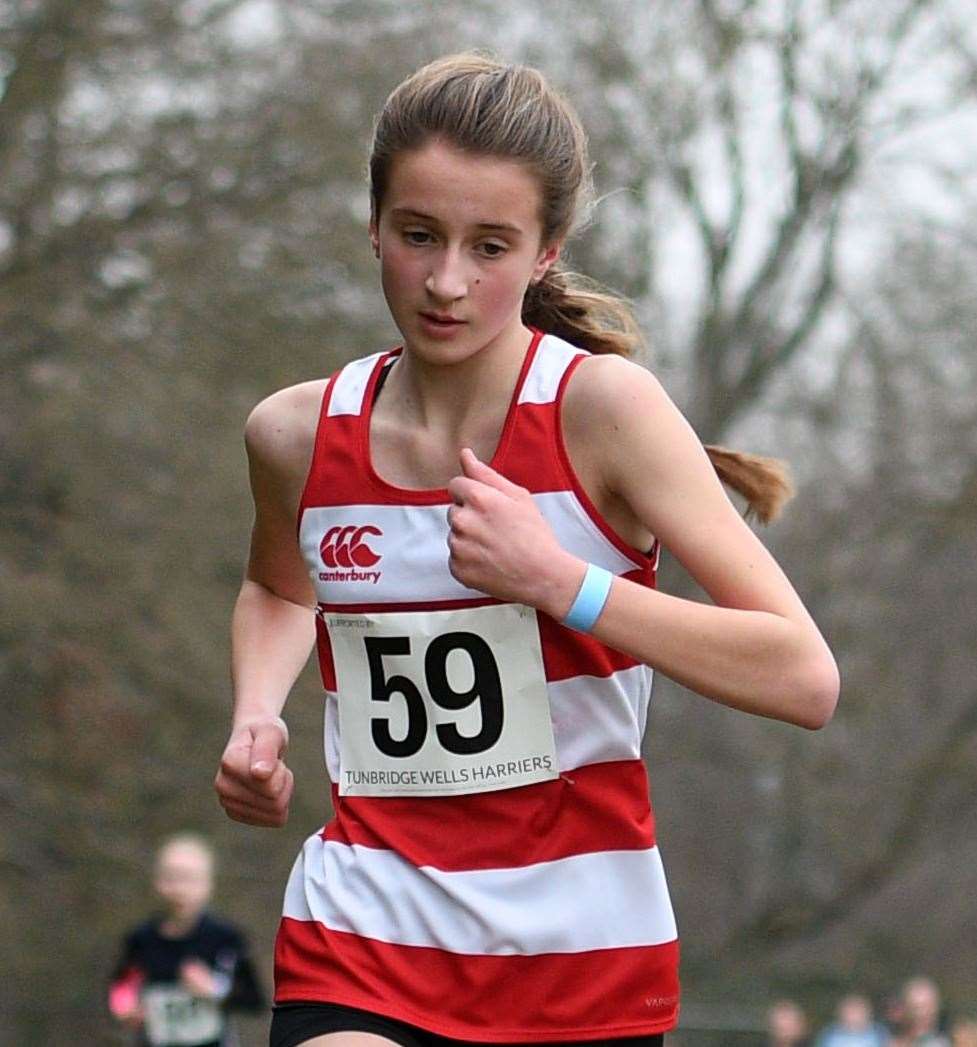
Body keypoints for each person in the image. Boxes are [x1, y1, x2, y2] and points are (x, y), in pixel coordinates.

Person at [213, 52, 840, 1047]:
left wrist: (560, 582)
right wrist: (256, 714)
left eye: (489, 246)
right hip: (366, 931)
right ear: (372, 224)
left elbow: (801, 676)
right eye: (417, 236)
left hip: (580, 962)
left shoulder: (604, 415)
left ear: (546, 252)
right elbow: (279, 589)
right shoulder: (295, 436)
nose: (446, 280)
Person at [109, 833, 265, 1047]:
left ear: (208, 884)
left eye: (189, 878)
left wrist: (215, 990)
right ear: (157, 881)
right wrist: (125, 1008)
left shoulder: (225, 938)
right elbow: (121, 986)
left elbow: (254, 1000)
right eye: (172, 877)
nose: (180, 889)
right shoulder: (140, 940)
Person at [814, 994, 887, 1047]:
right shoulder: (829, 1034)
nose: (853, 1016)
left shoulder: (879, 1033)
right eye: (850, 1011)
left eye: (858, 1011)